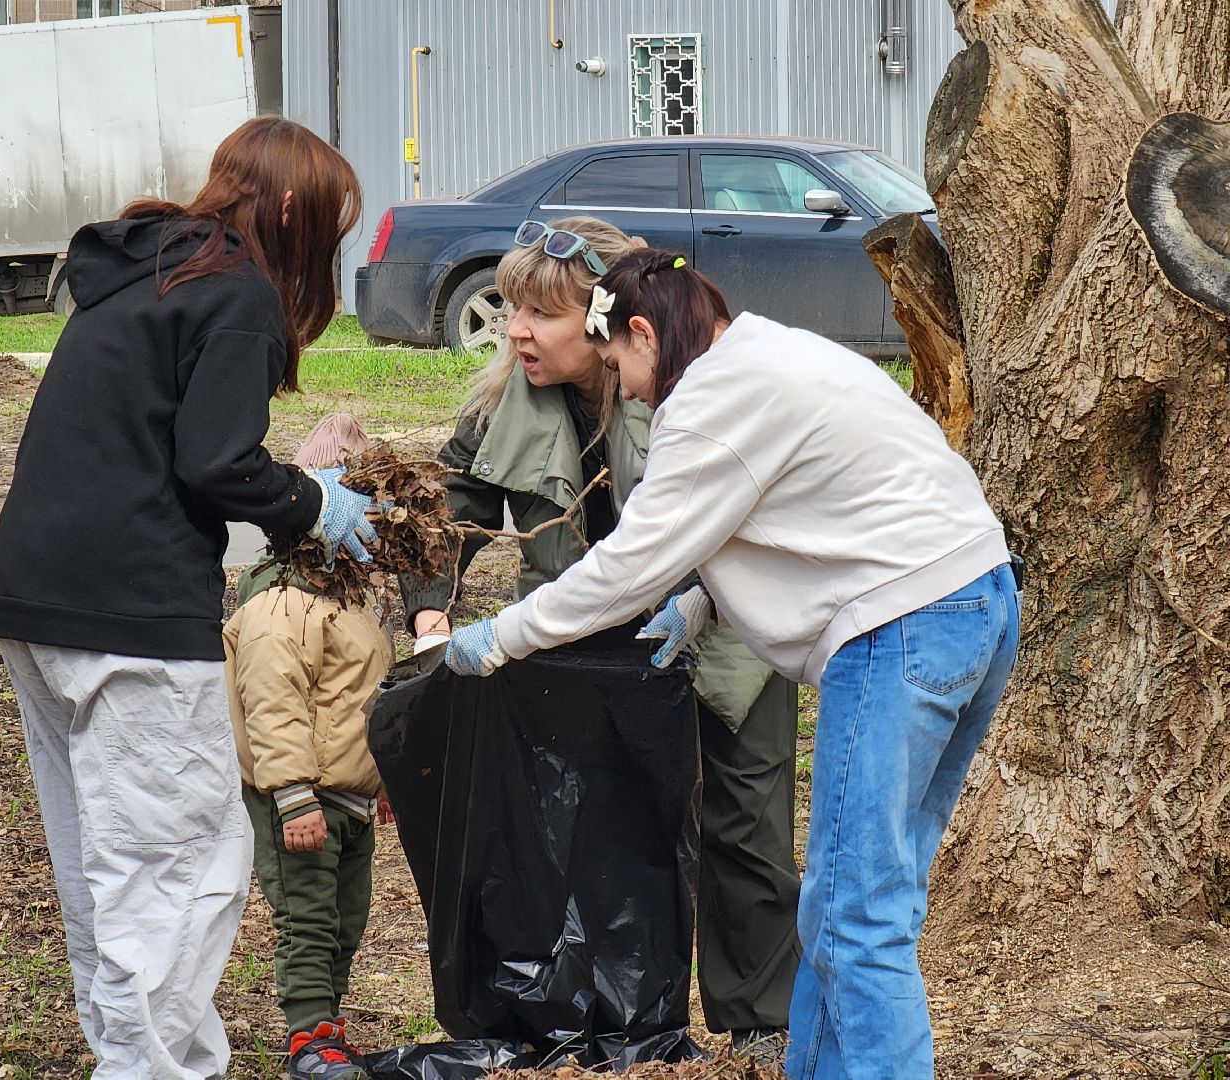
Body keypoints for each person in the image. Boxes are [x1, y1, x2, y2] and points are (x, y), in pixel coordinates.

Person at [442, 248, 1021, 1080]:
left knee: (857, 918)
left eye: (619, 363)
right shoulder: (773, 351)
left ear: (643, 332)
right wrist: (706, 597)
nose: (626, 386)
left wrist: (502, 636)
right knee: (848, 907)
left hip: (901, 627)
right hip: (977, 601)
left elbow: (626, 566)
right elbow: (810, 501)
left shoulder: (708, 402)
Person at [0, 117, 378, 1080]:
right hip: (136, 615)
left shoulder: (147, 272)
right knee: (178, 869)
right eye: (324, 223)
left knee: (106, 870)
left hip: (37, 604)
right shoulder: (235, 290)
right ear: (290, 206)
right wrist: (310, 503)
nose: (319, 248)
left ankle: (150, 1061)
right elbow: (216, 465)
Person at [400, 218, 801, 1051]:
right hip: (580, 654)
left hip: (720, 634)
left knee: (744, 825)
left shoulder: (697, 391)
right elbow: (449, 512)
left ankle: (760, 1023)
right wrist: (431, 607)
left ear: (606, 322)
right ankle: (597, 1020)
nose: (515, 330)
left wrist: (701, 600)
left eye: (540, 314)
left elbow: (758, 516)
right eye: (511, 308)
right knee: (591, 831)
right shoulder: (504, 403)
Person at [226, 413, 392, 1080]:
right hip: (301, 800)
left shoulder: (357, 603)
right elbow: (274, 708)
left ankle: (330, 1026)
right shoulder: (278, 609)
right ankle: (308, 1036)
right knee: (309, 919)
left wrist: (384, 780)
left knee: (346, 919)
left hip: (349, 797)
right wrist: (293, 799)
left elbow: (364, 700)